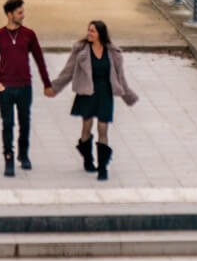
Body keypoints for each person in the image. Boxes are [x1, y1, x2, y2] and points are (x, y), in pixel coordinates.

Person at [45, 18, 138, 180]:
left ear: (100, 34)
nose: (89, 33)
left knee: (103, 128)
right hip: (87, 93)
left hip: (105, 94)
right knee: (86, 128)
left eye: (92, 31)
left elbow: (120, 77)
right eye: (88, 30)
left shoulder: (113, 53)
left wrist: (128, 96)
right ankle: (88, 159)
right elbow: (68, 71)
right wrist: (55, 87)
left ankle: (103, 168)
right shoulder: (80, 50)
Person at [0, 0, 51, 177]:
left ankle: (24, 154)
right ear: (10, 14)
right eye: (19, 13)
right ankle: (8, 156)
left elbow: (39, 59)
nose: (23, 15)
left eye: (23, 12)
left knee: (25, 122)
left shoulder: (29, 34)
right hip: (6, 87)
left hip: (24, 86)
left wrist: (47, 83)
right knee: (7, 123)